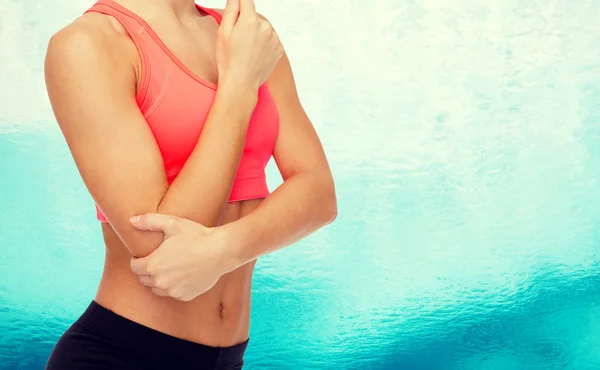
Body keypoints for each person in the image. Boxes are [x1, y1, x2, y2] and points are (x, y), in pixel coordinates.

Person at [43, 0, 337, 368]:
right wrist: (239, 86)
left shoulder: (247, 34)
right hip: (122, 355)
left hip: (227, 359)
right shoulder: (90, 44)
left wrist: (223, 250)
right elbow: (158, 249)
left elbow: (319, 194)